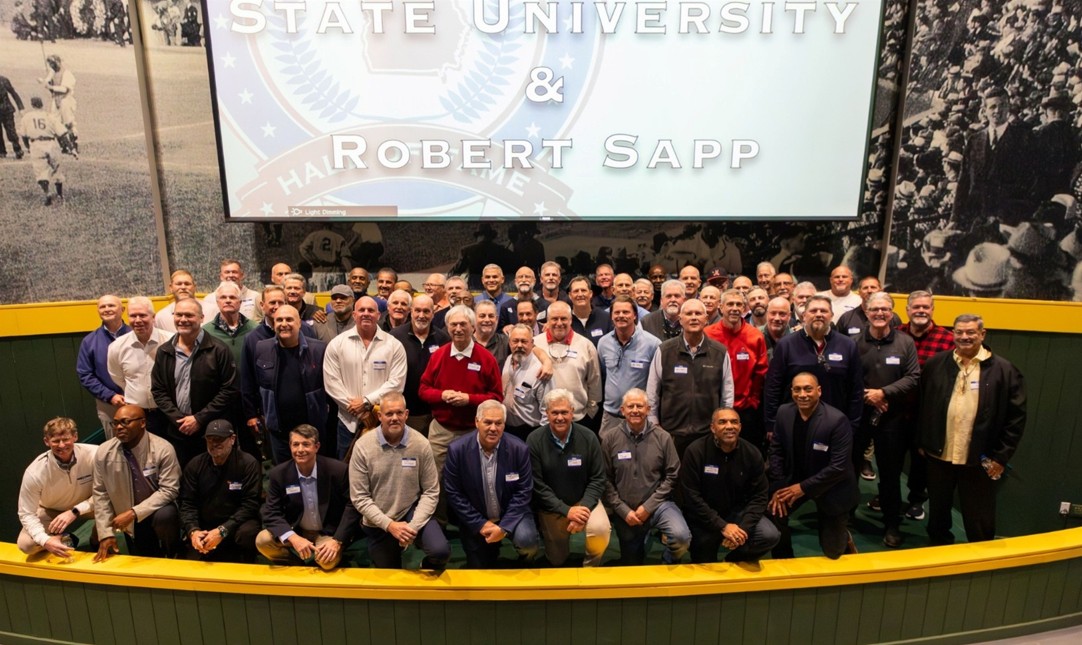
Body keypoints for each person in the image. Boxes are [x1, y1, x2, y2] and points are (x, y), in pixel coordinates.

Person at [918, 314, 1026, 545]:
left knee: (980, 520)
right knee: (937, 514)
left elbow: (1015, 419)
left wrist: (1000, 457)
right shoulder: (936, 364)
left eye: (970, 332)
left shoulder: (1004, 371)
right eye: (959, 332)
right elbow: (922, 405)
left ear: (982, 334)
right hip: (939, 456)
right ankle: (938, 556)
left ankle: (981, 566)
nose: (964, 337)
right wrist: (923, 443)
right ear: (953, 334)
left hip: (980, 459)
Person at [349, 392, 449, 570]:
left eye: (399, 413)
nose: (394, 418)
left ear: (407, 414)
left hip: (411, 512)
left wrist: (413, 527)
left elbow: (431, 491)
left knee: (440, 551)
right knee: (389, 572)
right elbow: (359, 498)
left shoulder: (421, 444)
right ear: (379, 416)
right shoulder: (362, 447)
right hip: (379, 519)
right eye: (389, 414)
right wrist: (390, 526)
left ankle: (423, 560)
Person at [854, 292, 920, 547]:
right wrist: (867, 396)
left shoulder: (905, 343)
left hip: (892, 418)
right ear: (866, 312)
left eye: (885, 309)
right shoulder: (854, 342)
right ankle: (844, 518)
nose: (879, 313)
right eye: (874, 309)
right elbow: (846, 376)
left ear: (892, 312)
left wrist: (884, 393)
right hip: (859, 416)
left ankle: (892, 524)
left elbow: (913, 377)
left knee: (891, 475)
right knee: (850, 469)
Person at [768, 373, 858, 560]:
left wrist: (802, 488)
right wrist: (778, 485)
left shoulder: (837, 420)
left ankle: (844, 537)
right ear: (791, 391)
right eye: (797, 389)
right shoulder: (784, 412)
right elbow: (776, 450)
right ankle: (785, 559)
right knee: (775, 510)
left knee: (833, 552)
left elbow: (838, 467)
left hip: (832, 486)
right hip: (795, 480)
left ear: (819, 391)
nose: (802, 394)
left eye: (808, 389)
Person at [443, 400, 539, 568]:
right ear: (476, 422)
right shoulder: (457, 450)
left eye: (498, 423)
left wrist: (503, 528)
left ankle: (525, 560)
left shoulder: (519, 449)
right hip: (476, 518)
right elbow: (454, 493)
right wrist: (481, 523)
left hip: (512, 514)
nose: (493, 428)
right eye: (488, 422)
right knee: (480, 567)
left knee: (528, 542)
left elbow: (524, 491)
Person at [600, 389, 690, 565]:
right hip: (625, 509)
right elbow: (605, 478)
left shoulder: (663, 437)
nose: (635, 410)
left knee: (681, 538)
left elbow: (673, 475)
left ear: (648, 409)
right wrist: (623, 510)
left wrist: (648, 507)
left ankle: (667, 563)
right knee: (632, 563)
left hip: (658, 504)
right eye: (630, 406)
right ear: (622, 410)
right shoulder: (610, 438)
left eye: (639, 406)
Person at [680, 408, 780, 564]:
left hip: (737, 514)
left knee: (769, 535)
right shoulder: (696, 451)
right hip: (704, 518)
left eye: (734, 422)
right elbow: (691, 497)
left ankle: (733, 560)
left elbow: (760, 496)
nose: (729, 426)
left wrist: (743, 530)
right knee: (706, 565)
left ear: (740, 427)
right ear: (713, 428)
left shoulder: (752, 453)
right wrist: (723, 526)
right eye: (722, 422)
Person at [151, 298, 241, 467]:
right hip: (178, 431)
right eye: (179, 314)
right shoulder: (164, 352)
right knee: (185, 480)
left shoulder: (218, 349)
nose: (183, 319)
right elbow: (158, 390)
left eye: (189, 315)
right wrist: (178, 419)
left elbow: (229, 389)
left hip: (211, 430)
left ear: (201, 318)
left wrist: (199, 419)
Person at [527, 389, 611, 567]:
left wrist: (582, 508)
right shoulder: (534, 440)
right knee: (557, 559)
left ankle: (591, 567)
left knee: (601, 530)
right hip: (552, 506)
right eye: (554, 412)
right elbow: (537, 485)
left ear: (572, 412)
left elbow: (598, 478)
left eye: (564, 412)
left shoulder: (589, 437)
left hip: (585, 502)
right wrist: (566, 510)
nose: (559, 417)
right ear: (546, 413)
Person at [257, 424, 359, 569]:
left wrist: (337, 540)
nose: (300, 450)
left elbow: (352, 506)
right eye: (295, 444)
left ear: (316, 446)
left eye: (306, 444)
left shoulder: (338, 470)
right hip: (296, 530)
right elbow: (270, 512)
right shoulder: (278, 474)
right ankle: (294, 564)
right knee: (262, 540)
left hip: (327, 532)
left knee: (327, 562)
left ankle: (325, 556)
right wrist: (293, 537)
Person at [763, 295, 863, 441]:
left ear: (832, 315)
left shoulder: (848, 345)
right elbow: (773, 387)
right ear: (804, 315)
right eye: (813, 311)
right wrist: (771, 424)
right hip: (793, 422)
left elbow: (856, 390)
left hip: (835, 424)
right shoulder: (786, 345)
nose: (818, 314)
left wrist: (852, 425)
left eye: (823, 311)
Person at [418, 305, 503, 477]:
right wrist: (441, 395)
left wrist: (469, 399)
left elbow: (496, 397)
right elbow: (423, 390)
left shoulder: (486, 359)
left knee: (472, 478)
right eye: (453, 324)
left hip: (474, 432)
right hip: (441, 431)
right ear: (447, 327)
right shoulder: (438, 356)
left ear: (473, 327)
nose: (458, 329)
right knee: (434, 479)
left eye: (463, 324)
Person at [92, 405, 181, 561]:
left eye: (125, 422)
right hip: (127, 516)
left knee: (166, 515)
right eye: (116, 423)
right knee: (146, 559)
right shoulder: (103, 452)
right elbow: (101, 493)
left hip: (156, 510)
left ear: (142, 423)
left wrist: (134, 512)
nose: (119, 427)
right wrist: (105, 533)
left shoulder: (163, 449)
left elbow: (169, 490)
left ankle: (176, 552)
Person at [647, 299, 734, 457]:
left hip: (707, 432)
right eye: (688, 313)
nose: (694, 317)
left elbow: (727, 395)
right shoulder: (664, 350)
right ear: (680, 319)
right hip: (671, 432)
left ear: (706, 319)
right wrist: (654, 423)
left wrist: (721, 425)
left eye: (698, 313)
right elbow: (653, 390)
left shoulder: (720, 352)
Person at [242, 305, 329, 464]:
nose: (284, 324)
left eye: (289, 319)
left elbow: (328, 388)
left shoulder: (319, 349)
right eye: (279, 320)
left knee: (314, 473)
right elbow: (251, 382)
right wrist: (252, 413)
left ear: (299, 323)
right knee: (284, 475)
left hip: (312, 428)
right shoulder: (262, 348)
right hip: (279, 430)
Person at [323, 296, 408, 458]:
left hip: (380, 421)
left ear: (378, 315)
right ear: (354, 315)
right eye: (361, 310)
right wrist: (360, 411)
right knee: (346, 472)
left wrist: (367, 402)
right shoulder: (337, 344)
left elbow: (396, 384)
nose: (366, 314)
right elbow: (332, 382)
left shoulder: (394, 345)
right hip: (347, 422)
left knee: (381, 469)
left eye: (371, 310)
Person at [952, 86, 1037, 229]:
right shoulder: (974, 140)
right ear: (984, 111)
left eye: (1003, 105)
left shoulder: (1024, 139)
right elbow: (964, 181)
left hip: (1009, 222)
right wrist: (954, 218)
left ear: (1009, 107)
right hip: (975, 220)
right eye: (993, 107)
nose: (998, 111)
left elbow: (1030, 183)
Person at [178, 420, 261, 562]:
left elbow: (250, 505)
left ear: (232, 439)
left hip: (237, 524)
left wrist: (223, 530)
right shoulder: (194, 465)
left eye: (219, 439)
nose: (214, 444)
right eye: (210, 440)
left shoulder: (248, 464)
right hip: (206, 525)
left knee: (248, 532)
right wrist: (193, 531)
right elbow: (187, 503)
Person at [18, 418, 97, 557]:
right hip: (51, 510)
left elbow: (107, 492)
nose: (61, 445)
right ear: (46, 442)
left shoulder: (94, 454)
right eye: (55, 441)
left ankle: (98, 538)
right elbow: (26, 513)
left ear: (75, 437)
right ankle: (66, 538)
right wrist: (45, 540)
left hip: (87, 506)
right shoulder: (35, 471)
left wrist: (75, 511)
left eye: (66, 439)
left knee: (119, 504)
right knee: (26, 545)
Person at [704, 289, 769, 453]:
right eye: (730, 304)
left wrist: (753, 400)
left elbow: (761, 372)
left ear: (744, 308)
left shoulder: (755, 336)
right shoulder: (708, 334)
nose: (734, 308)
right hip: (713, 407)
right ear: (721, 307)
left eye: (738, 304)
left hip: (745, 410)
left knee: (746, 454)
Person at [108, 297, 173, 437]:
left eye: (143, 315)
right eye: (133, 316)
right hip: (135, 414)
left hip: (168, 412)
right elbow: (118, 378)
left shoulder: (171, 341)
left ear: (153, 317)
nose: (138, 320)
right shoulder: (117, 347)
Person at [597, 296, 661, 434]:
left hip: (639, 417)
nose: (621, 316)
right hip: (611, 416)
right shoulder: (603, 343)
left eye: (626, 312)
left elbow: (657, 383)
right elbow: (603, 375)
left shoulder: (653, 344)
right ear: (611, 316)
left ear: (635, 315)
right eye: (617, 312)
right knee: (608, 454)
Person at [532, 301, 601, 426]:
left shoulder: (586, 345)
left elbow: (594, 383)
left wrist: (590, 413)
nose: (559, 323)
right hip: (543, 421)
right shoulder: (534, 344)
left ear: (570, 320)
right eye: (554, 319)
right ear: (547, 320)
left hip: (579, 418)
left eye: (563, 318)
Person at [389, 294, 449, 434]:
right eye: (417, 310)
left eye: (426, 311)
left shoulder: (443, 339)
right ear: (411, 311)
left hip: (432, 413)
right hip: (402, 411)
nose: (421, 315)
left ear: (433, 314)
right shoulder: (395, 336)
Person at [76, 295, 130, 436]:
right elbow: (85, 374)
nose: (107, 309)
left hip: (139, 401)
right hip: (108, 405)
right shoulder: (89, 341)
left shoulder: (136, 335)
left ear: (122, 309)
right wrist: (110, 396)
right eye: (102, 307)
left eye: (111, 305)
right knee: (114, 447)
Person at [502, 324, 552, 441]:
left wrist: (541, 440)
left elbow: (547, 411)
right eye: (515, 341)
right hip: (507, 429)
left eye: (524, 341)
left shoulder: (541, 371)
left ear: (532, 342)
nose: (519, 345)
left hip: (530, 432)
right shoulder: (509, 359)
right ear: (509, 342)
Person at [19, 96, 66, 205]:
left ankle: (47, 193)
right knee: (56, 169)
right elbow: (62, 133)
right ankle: (59, 194)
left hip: (36, 145)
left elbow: (24, 135)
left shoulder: (27, 117)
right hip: (51, 143)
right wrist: (69, 147)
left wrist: (28, 147)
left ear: (32, 105)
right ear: (42, 105)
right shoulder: (49, 116)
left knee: (40, 172)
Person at [201, 281, 257, 367]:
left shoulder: (255, 329)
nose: (228, 301)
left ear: (240, 302)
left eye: (232, 297)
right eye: (223, 297)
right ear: (217, 302)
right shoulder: (206, 332)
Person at [42, 54, 78, 155]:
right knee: (55, 122)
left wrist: (51, 87)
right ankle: (64, 146)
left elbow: (64, 89)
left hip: (66, 100)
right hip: (56, 100)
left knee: (68, 123)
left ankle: (73, 145)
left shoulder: (67, 74)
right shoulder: (53, 73)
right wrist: (46, 80)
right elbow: (47, 82)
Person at [568, 275, 613, 347]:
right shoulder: (564, 320)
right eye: (576, 291)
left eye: (583, 290)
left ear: (591, 294)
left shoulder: (606, 318)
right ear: (570, 295)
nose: (580, 294)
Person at [478, 264, 516, 328]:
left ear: (502, 279)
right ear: (482, 280)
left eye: (495, 277)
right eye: (487, 277)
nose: (491, 280)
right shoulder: (475, 302)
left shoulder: (511, 302)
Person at [760, 297, 794, 362]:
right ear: (767, 314)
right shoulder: (755, 337)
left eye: (782, 314)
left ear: (789, 316)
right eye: (773, 313)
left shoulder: (797, 340)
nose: (777, 318)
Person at [0, 73, 24, 159]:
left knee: (11, 131)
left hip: (7, 110)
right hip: (5, 109)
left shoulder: (3, 80)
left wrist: (21, 108)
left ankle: (17, 149)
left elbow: (14, 94)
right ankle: (1, 152)